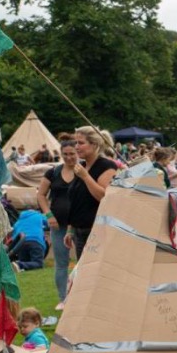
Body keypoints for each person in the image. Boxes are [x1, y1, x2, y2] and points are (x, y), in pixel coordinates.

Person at [37, 140, 80, 310]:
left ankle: (82, 296)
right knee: (61, 263)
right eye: (66, 154)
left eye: (72, 154)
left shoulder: (83, 171)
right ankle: (64, 298)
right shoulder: (53, 172)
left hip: (80, 223)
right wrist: (49, 215)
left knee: (84, 261)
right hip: (58, 224)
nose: (69, 157)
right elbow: (41, 195)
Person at [67, 127, 117, 259]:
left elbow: (103, 196)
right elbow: (76, 200)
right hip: (79, 230)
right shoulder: (81, 166)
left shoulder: (106, 166)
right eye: (75, 143)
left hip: (96, 230)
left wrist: (86, 177)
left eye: (81, 143)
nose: (76, 147)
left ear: (94, 144)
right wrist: (70, 229)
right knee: (81, 277)